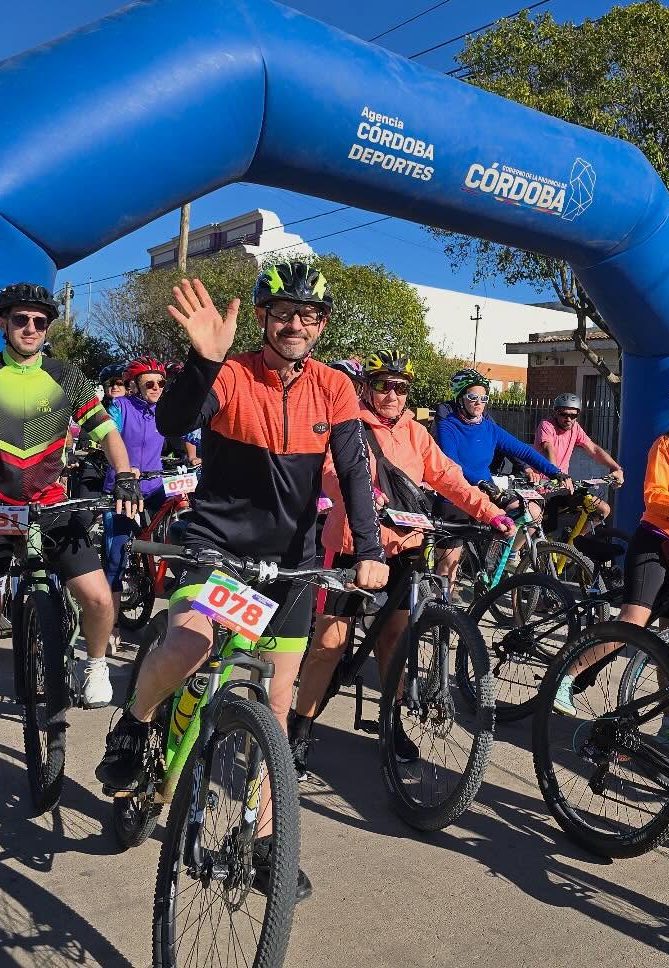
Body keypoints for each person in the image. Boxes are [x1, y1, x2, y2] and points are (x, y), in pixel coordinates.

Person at [94, 264, 387, 900]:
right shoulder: (229, 372)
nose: (297, 324)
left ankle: (262, 841)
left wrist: (369, 547)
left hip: (291, 560)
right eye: (284, 311)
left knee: (277, 706)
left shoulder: (336, 387)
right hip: (216, 543)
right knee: (191, 643)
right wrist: (203, 361)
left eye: (310, 314)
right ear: (262, 317)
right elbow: (173, 422)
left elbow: (355, 473)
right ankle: (136, 721)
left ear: (321, 323)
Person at [0, 284, 141, 770]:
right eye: (21, 320)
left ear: (49, 326)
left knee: (99, 598)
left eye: (40, 321)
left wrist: (124, 476)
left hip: (52, 504)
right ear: (3, 323)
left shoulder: (65, 375)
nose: (31, 329)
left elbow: (107, 432)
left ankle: (95, 663)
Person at [288, 349, 515, 779]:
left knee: (394, 640)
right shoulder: (349, 425)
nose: (392, 395)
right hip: (354, 544)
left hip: (405, 546)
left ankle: (390, 725)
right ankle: (299, 728)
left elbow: (448, 476)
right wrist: (362, 497)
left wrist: (490, 513)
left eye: (401, 388)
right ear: (367, 387)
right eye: (383, 385)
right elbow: (333, 473)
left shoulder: (415, 433)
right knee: (330, 643)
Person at [552, 370, 669, 735]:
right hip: (656, 540)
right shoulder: (666, 445)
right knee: (632, 623)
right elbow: (654, 497)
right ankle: (564, 678)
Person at [435, 367, 564, 580]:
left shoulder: (489, 427)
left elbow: (522, 450)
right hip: (456, 494)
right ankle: (442, 608)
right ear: (460, 398)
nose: (479, 403)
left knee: (531, 510)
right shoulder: (448, 426)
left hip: (486, 492)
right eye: (473, 397)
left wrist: (556, 473)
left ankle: (500, 557)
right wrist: (483, 484)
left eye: (484, 398)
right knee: (449, 568)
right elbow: (452, 464)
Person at [101, 356, 172, 618]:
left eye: (161, 383)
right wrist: (124, 469)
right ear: (134, 386)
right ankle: (112, 624)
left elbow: (193, 434)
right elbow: (108, 436)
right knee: (116, 555)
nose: (156, 388)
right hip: (123, 489)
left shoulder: (166, 411)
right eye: (149, 383)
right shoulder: (120, 406)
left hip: (154, 487)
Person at [534, 392, 623, 524]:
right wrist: (556, 474)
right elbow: (548, 448)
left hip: (563, 487)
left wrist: (616, 468)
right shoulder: (547, 425)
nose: (568, 419)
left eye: (573, 415)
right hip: (542, 486)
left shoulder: (575, 428)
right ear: (556, 413)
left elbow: (593, 449)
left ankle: (574, 541)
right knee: (539, 525)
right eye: (564, 414)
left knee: (603, 509)